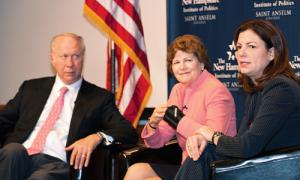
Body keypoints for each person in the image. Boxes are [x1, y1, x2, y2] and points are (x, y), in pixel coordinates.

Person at [0, 32, 138, 179]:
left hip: (55, 164)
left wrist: (97, 137)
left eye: (76, 56)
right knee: (12, 151)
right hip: (19, 156)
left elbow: (127, 132)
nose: (70, 64)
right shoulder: (31, 88)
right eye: (64, 56)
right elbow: (3, 120)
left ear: (83, 58)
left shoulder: (99, 98)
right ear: (52, 58)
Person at [174, 19, 300, 180]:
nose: (241, 53)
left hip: (280, 170)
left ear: (271, 53)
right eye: (239, 47)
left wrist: (209, 135)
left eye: (251, 46)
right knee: (204, 151)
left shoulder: (281, 88)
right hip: (262, 166)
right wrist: (206, 139)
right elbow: (241, 142)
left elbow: (246, 147)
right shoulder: (257, 90)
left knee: (204, 153)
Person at [124, 34, 236, 180]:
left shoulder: (216, 90)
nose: (182, 67)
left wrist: (178, 120)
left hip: (212, 169)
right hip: (187, 166)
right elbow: (157, 142)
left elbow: (212, 138)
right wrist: (153, 123)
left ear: (201, 63)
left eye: (188, 60)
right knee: (136, 171)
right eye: (176, 62)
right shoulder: (178, 89)